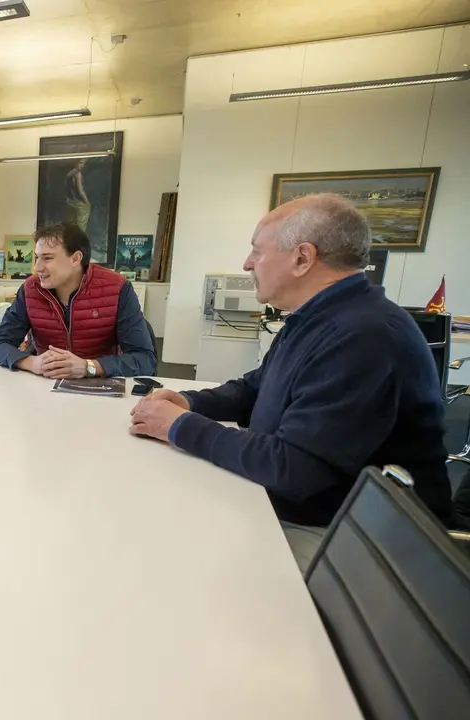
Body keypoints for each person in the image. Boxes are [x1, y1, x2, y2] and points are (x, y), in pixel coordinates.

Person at [129, 194, 452, 571]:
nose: (247, 263)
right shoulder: (320, 317)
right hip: (313, 512)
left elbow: (295, 469)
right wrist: (189, 402)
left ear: (302, 258)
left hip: (364, 546)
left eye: (256, 251)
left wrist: (177, 427)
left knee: (171, 553)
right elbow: (255, 388)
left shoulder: (365, 335)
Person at [0, 223, 156, 379]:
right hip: (45, 386)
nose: (37, 267)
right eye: (36, 257)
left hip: (100, 385)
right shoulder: (30, 289)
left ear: (75, 259)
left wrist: (88, 367)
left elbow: (144, 360)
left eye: (47, 258)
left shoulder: (118, 288)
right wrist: (33, 363)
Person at [65, 160, 91, 233]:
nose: (82, 165)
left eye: (83, 163)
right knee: (81, 225)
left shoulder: (69, 174)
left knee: (72, 224)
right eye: (81, 163)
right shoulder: (78, 174)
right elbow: (80, 190)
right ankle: (80, 240)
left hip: (70, 201)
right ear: (75, 163)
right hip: (79, 201)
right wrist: (87, 202)